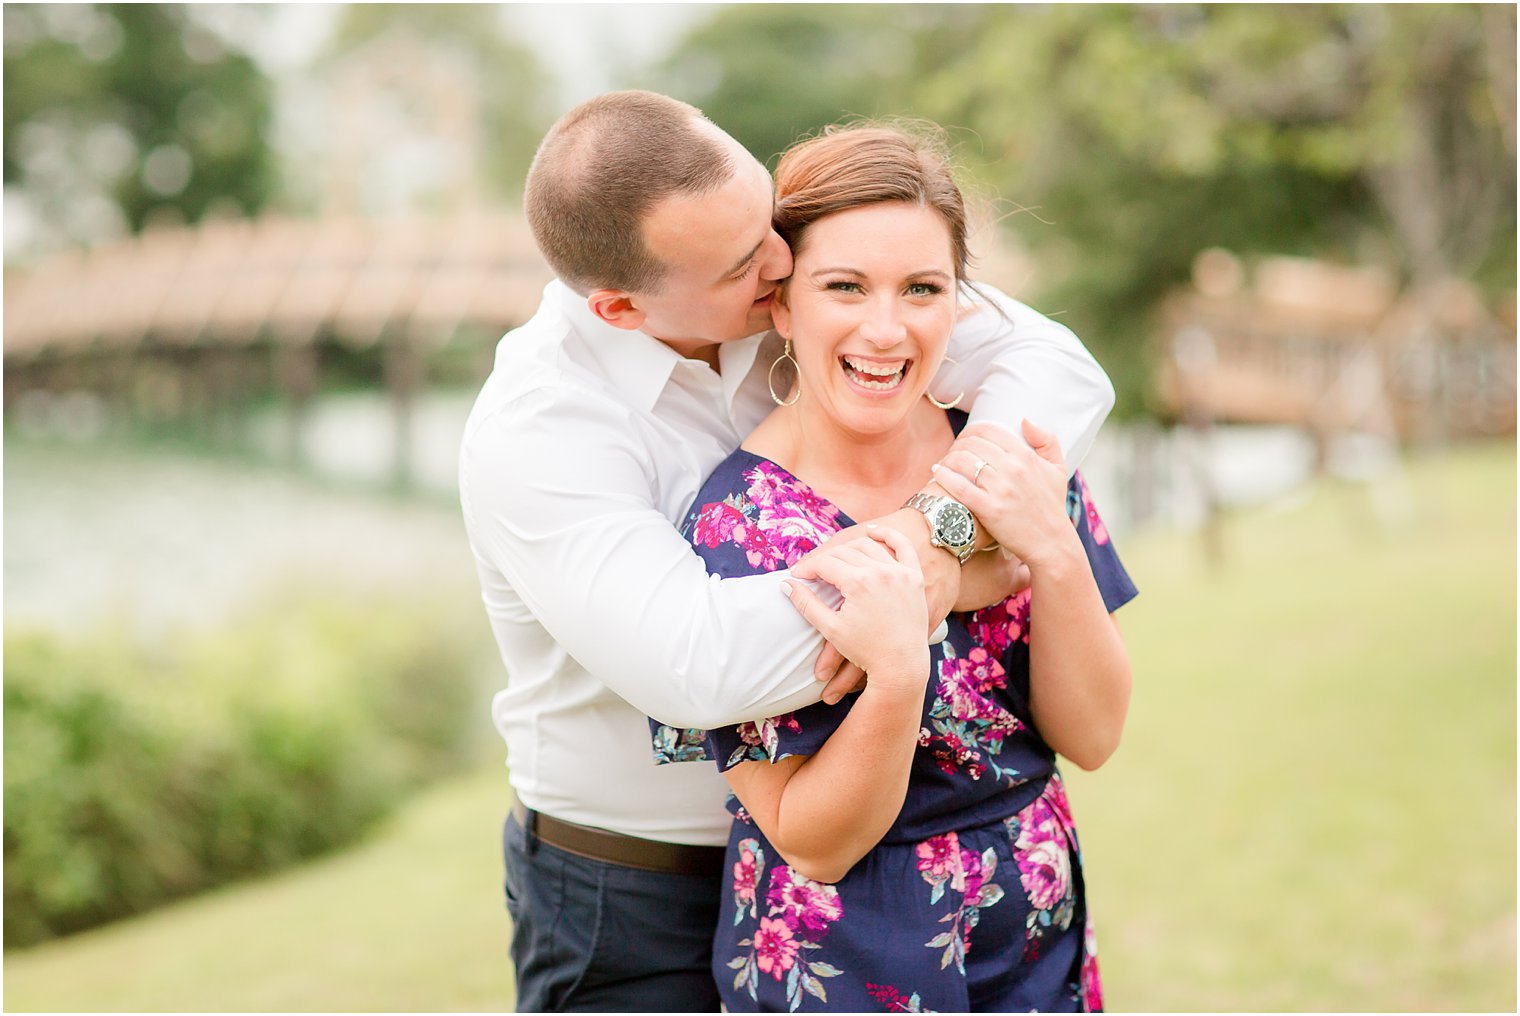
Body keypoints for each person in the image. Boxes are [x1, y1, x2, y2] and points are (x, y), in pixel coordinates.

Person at [458, 91, 1115, 1012]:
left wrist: (940, 532)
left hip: (879, 863)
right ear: (620, 308)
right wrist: (953, 582)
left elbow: (1058, 370)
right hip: (630, 884)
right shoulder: (539, 433)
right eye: (743, 263)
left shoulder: (799, 290)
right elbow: (703, 667)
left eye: (767, 216)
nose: (780, 258)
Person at [648, 122, 1136, 1012]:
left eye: (922, 288)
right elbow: (813, 842)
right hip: (842, 963)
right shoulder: (736, 529)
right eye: (844, 286)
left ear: (962, 304)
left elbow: (1094, 738)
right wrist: (899, 671)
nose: (886, 328)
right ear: (782, 304)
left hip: (1037, 942)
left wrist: (1051, 547)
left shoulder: (1004, 456)